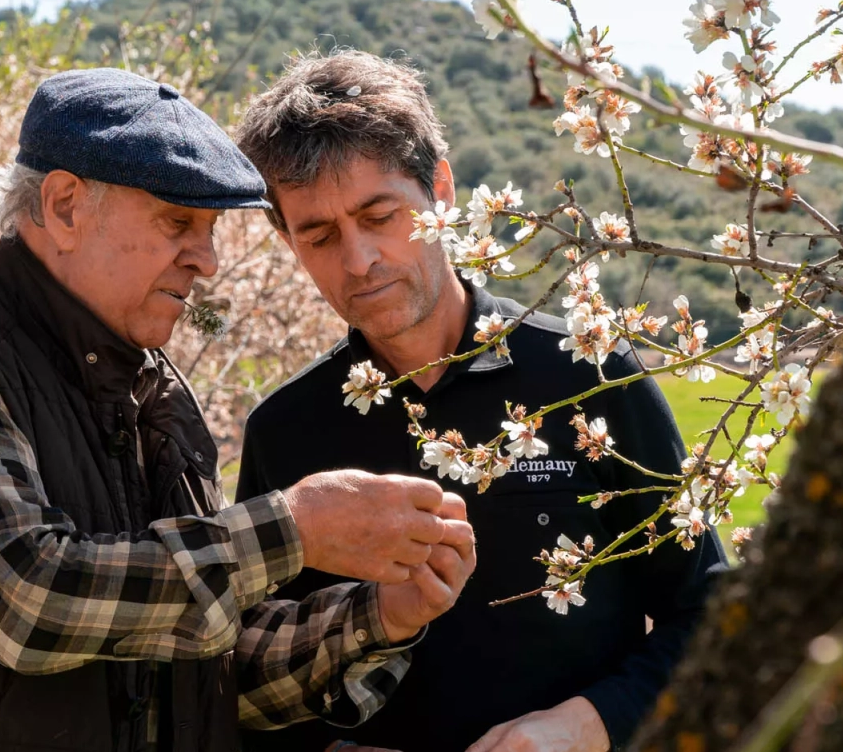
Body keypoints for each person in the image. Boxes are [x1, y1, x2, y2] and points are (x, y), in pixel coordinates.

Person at [0, 68, 478, 752]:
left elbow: (203, 675)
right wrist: (293, 529)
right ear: (66, 205)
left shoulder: (156, 388)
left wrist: (378, 617)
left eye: (209, 230)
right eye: (178, 222)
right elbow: (27, 599)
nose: (206, 261)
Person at [233, 51, 727, 752]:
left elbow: (709, 615)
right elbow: (249, 681)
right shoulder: (285, 432)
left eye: (380, 215)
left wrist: (585, 726)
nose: (358, 260)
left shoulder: (591, 372)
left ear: (440, 188)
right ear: (286, 240)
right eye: (318, 235)